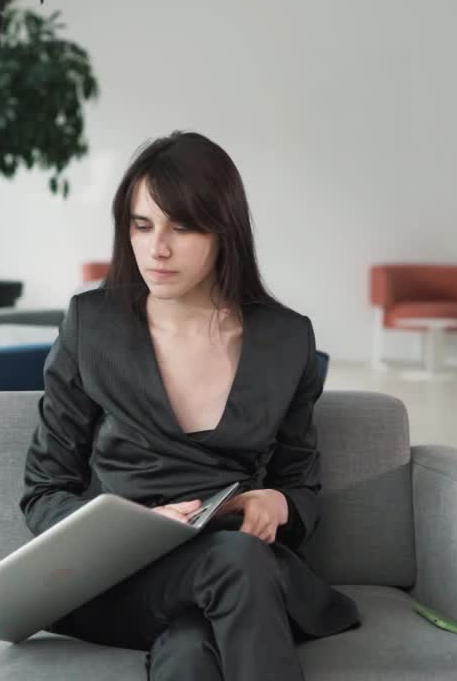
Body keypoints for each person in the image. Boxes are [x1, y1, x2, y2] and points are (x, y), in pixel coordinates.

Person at [19, 131, 360, 680]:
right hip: (119, 581)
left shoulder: (284, 339)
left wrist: (278, 502)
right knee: (238, 564)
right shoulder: (92, 325)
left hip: (233, 573)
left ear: (224, 231)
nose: (158, 249)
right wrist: (131, 525)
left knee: (191, 647)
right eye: (142, 224)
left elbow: (302, 486)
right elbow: (43, 493)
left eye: (182, 227)